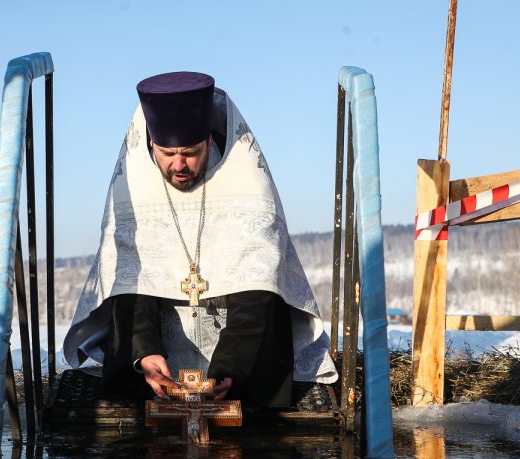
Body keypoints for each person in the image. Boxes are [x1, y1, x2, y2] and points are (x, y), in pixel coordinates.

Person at [63, 71, 336, 408]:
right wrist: (144, 353)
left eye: (190, 152)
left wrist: (231, 367)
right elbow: (130, 288)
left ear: (208, 140)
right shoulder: (136, 189)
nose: (179, 164)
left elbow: (258, 291)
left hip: (239, 358)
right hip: (155, 363)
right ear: (151, 142)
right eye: (166, 153)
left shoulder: (246, 184)